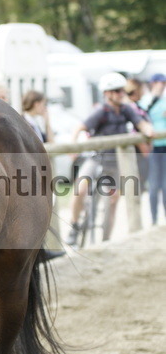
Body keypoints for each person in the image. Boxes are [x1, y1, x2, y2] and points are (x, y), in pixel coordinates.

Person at [66, 73, 153, 246]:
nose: (122, 94)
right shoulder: (101, 111)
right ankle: (74, 226)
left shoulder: (126, 109)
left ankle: (106, 240)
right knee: (79, 189)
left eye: (123, 90)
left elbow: (141, 123)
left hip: (116, 163)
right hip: (97, 158)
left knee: (113, 200)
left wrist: (148, 130)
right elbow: (80, 127)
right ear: (107, 93)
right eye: (117, 91)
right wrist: (73, 146)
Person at [144, 73, 166, 225]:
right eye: (160, 83)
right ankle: (154, 219)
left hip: (164, 145)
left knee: (165, 185)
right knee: (153, 184)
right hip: (152, 148)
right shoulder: (145, 101)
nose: (162, 86)